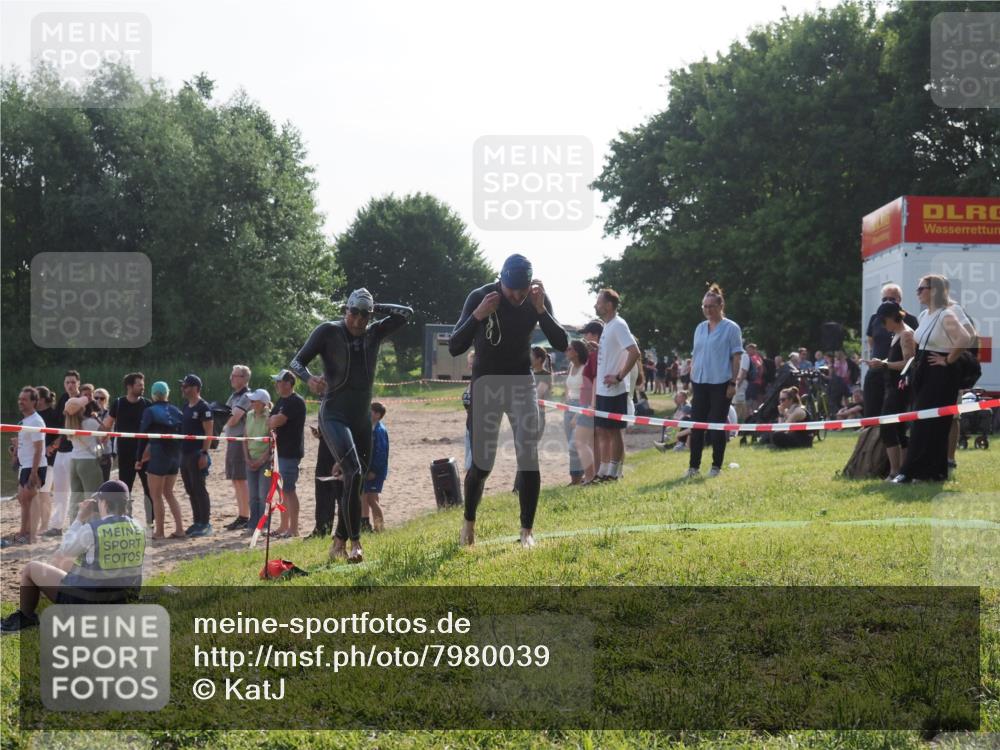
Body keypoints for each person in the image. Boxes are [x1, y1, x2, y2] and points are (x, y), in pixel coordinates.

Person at [447, 254, 568, 548]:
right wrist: (478, 314)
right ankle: (469, 523)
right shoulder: (480, 296)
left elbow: (562, 343)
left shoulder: (536, 298)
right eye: (511, 290)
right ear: (501, 282)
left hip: (520, 381)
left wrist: (541, 311)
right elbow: (454, 346)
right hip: (486, 382)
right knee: (482, 464)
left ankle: (527, 531)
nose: (516, 296)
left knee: (528, 453)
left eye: (522, 291)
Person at [290, 287, 412, 562]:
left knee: (356, 481)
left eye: (364, 315)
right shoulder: (327, 331)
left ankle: (338, 542)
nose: (358, 320)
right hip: (334, 413)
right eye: (353, 313)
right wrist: (309, 378)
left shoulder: (374, 332)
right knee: (353, 471)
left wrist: (374, 306)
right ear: (345, 311)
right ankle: (356, 542)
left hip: (361, 417)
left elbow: (406, 314)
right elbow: (296, 361)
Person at [1, 480, 146, 634]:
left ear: (104, 503)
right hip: (124, 601)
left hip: (90, 606)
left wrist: (79, 518)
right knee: (67, 563)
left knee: (31, 568)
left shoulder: (93, 529)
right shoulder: (138, 528)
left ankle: (26, 616)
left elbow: (65, 549)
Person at [893, 275, 973, 483]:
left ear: (934, 290)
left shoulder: (946, 314)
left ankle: (913, 471)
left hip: (940, 374)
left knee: (930, 424)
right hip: (924, 370)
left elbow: (965, 338)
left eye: (922, 288)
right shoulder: (924, 315)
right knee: (921, 421)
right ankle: (929, 471)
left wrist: (948, 360)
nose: (918, 292)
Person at [685, 284, 743, 478]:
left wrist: (733, 383)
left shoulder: (731, 328)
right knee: (697, 426)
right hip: (700, 382)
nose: (707, 310)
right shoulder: (699, 328)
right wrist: (691, 376)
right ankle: (693, 467)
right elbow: (696, 354)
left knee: (717, 426)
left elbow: (737, 356)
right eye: (704, 306)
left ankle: (716, 466)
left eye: (711, 306)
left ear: (720, 305)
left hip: (721, 383)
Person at [591, 289, 640, 483]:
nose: (596, 305)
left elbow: (634, 352)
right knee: (602, 430)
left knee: (614, 430)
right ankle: (603, 470)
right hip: (603, 389)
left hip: (615, 389)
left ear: (609, 305)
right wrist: (598, 348)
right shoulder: (608, 326)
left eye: (599, 302)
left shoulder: (619, 324)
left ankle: (614, 471)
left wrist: (619, 377)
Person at [867, 301, 916, 478]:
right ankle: (901, 470)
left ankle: (896, 471)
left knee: (888, 428)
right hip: (892, 387)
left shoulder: (906, 334)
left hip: (900, 389)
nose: (882, 325)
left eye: (883, 321)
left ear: (891, 317)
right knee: (898, 430)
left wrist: (884, 364)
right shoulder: (896, 334)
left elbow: (909, 363)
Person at [135, 382, 186, 539]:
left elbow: (142, 437)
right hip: (175, 455)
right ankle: (180, 529)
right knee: (169, 493)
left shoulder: (150, 411)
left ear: (153, 395)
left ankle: (159, 532)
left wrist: (139, 459)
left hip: (159, 455)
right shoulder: (177, 410)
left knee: (156, 495)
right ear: (167, 394)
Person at [863, 284, 920, 418]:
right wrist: (879, 361)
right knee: (872, 411)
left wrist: (885, 364)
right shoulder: (876, 318)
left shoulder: (907, 326)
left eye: (892, 299)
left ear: (899, 300)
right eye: (884, 299)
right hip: (878, 370)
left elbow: (910, 360)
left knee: (892, 416)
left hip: (897, 376)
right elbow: (871, 340)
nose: (888, 302)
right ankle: (874, 437)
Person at [103, 372, 152, 521]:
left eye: (143, 385)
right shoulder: (118, 403)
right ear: (129, 386)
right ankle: (126, 519)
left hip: (145, 454)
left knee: (148, 490)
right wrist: (100, 437)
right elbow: (107, 425)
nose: (142, 388)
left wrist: (149, 450)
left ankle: (151, 522)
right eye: (139, 385)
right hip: (124, 454)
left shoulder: (147, 404)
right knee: (125, 490)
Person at [42, 370, 81, 537]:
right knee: (60, 491)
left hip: (76, 450)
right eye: (67, 382)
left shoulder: (81, 400)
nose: (70, 385)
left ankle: (76, 524)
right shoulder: (64, 399)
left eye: (73, 382)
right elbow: (59, 425)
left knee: (75, 491)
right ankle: (57, 526)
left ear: (78, 383)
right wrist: (53, 444)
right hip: (62, 451)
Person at [268, 370, 307, 538]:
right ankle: (284, 526)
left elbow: (276, 421)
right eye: (276, 382)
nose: (276, 385)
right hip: (279, 451)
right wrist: (273, 420)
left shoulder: (295, 401)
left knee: (289, 490)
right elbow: (270, 421)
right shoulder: (282, 401)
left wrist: (273, 420)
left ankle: (294, 528)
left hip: (290, 452)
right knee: (281, 490)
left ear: (288, 383)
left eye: (279, 382)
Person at [178, 374, 215, 536]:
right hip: (184, 454)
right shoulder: (186, 407)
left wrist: (204, 453)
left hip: (197, 453)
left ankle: (205, 523)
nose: (183, 389)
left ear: (195, 388)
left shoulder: (203, 408)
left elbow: (209, 432)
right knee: (190, 488)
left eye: (186, 386)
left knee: (199, 488)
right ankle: (197, 521)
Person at [64, 395, 107, 523]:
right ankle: (94, 525)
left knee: (76, 497)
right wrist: (97, 418)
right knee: (93, 497)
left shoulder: (70, 426)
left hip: (74, 461)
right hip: (88, 461)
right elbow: (105, 433)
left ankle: (74, 525)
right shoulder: (90, 423)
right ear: (81, 410)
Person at [11, 387, 45, 544]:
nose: (20, 402)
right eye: (19, 399)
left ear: (34, 402)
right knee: (23, 500)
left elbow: (39, 448)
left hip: (34, 466)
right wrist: (15, 454)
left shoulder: (36, 421)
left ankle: (29, 534)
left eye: (24, 399)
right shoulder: (25, 421)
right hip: (25, 466)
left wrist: (34, 472)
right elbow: (27, 445)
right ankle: (24, 532)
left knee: (29, 500)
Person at [221, 365, 253, 532]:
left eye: (235, 375)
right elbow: (225, 415)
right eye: (232, 375)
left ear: (243, 378)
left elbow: (233, 419)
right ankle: (242, 515)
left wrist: (224, 417)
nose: (231, 378)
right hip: (233, 440)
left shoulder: (247, 396)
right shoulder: (234, 395)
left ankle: (246, 515)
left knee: (241, 479)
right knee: (235, 479)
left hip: (240, 440)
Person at [574, 321, 603, 483]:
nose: (584, 337)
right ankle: (595, 475)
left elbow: (595, 379)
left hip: (589, 403)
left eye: (587, 334)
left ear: (595, 335)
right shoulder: (598, 354)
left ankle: (591, 476)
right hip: (590, 403)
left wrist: (592, 404)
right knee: (593, 443)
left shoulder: (595, 355)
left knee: (580, 441)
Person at [242, 388, 273, 534]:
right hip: (251, 459)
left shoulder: (270, 417)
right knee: (253, 495)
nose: (251, 403)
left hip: (265, 461)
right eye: (251, 400)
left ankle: (264, 525)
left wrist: (261, 460)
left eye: (254, 401)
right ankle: (252, 524)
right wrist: (247, 458)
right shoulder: (249, 415)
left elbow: (272, 443)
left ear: (263, 403)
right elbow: (245, 438)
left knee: (263, 494)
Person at [33, 386, 58, 540]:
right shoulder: (34, 416)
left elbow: (61, 435)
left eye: (34, 397)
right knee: (36, 494)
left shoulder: (53, 415)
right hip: (35, 460)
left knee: (44, 493)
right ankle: (37, 525)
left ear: (41, 399)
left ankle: (45, 525)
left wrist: (52, 447)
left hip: (49, 460)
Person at [562, 340, 588, 485]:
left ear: (577, 351)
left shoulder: (585, 369)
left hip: (581, 406)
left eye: (569, 349)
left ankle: (578, 479)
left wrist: (578, 414)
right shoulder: (571, 366)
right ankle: (576, 479)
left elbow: (587, 394)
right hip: (569, 407)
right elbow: (567, 387)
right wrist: (566, 402)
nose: (566, 351)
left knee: (575, 445)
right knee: (572, 446)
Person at [362, 402, 389, 533]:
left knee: (371, 500)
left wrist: (374, 471)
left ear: (377, 415)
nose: (368, 413)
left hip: (376, 471)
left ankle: (380, 528)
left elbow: (381, 453)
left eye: (370, 411)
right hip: (370, 470)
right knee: (371, 497)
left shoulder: (379, 430)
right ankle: (375, 527)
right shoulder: (371, 428)